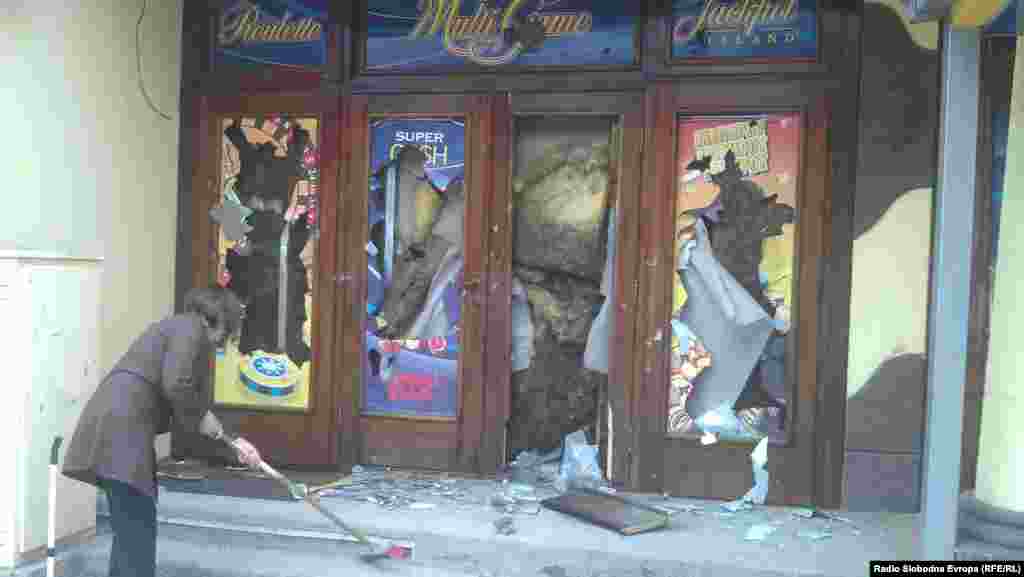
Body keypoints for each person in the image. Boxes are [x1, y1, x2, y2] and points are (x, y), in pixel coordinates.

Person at [62, 286, 263, 577]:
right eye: (227, 333)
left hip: (118, 427)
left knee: (131, 533)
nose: (222, 343)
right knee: (137, 532)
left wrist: (231, 442)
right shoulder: (191, 328)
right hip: (122, 430)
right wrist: (214, 425)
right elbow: (178, 386)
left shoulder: (176, 328)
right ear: (218, 318)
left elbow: (185, 403)